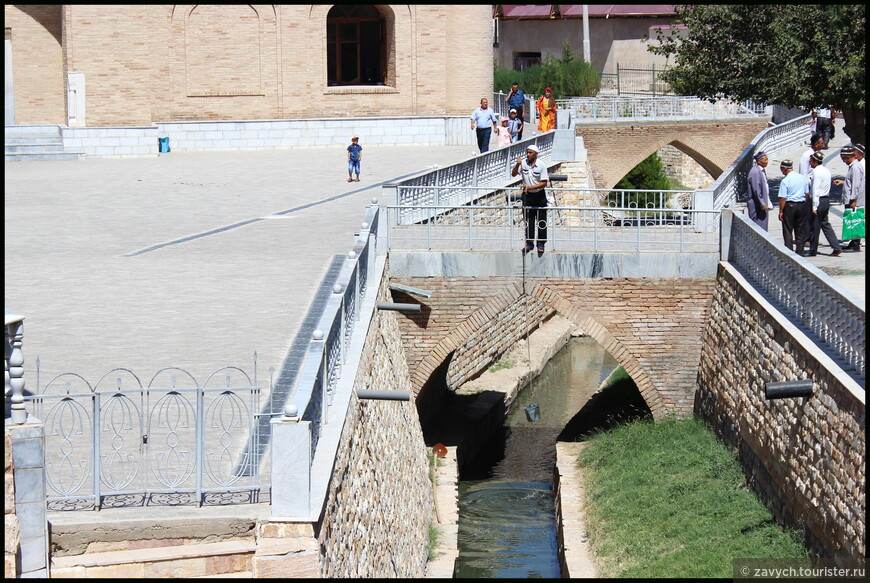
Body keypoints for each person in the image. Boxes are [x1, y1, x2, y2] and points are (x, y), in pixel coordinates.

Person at [511, 144, 549, 254]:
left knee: (541, 220)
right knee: (529, 220)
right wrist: (517, 165)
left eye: (530, 152)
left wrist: (530, 187)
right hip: (528, 196)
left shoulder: (541, 165)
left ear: (536, 154)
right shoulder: (523, 164)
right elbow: (513, 174)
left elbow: (544, 183)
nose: (528, 154)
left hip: (539, 194)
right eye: (527, 152)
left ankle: (541, 243)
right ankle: (529, 243)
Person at [806, 150, 842, 257]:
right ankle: (836, 247)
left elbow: (815, 190)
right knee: (825, 224)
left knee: (814, 226)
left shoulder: (816, 172)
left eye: (811, 161)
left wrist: (814, 206)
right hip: (826, 200)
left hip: (818, 201)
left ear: (815, 161)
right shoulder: (826, 170)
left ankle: (813, 250)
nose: (810, 163)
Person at [832, 145, 865, 252]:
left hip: (854, 200)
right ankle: (853, 242)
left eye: (844, 159)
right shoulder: (853, 166)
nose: (843, 161)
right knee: (851, 220)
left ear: (848, 157)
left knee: (854, 220)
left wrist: (853, 200)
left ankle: (856, 244)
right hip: (851, 199)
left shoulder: (856, 167)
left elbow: (856, 185)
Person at [777, 159, 810, 255]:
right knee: (800, 230)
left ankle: (789, 252)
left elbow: (783, 198)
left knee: (788, 230)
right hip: (801, 204)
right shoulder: (802, 178)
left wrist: (781, 211)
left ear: (784, 169)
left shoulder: (785, 181)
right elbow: (807, 194)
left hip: (790, 205)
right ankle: (800, 251)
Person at [746, 150, 772, 230]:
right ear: (759, 161)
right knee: (759, 227)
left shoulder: (760, 170)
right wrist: (762, 203)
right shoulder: (755, 172)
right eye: (765, 160)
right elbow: (756, 190)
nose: (767, 162)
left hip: (762, 202)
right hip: (757, 206)